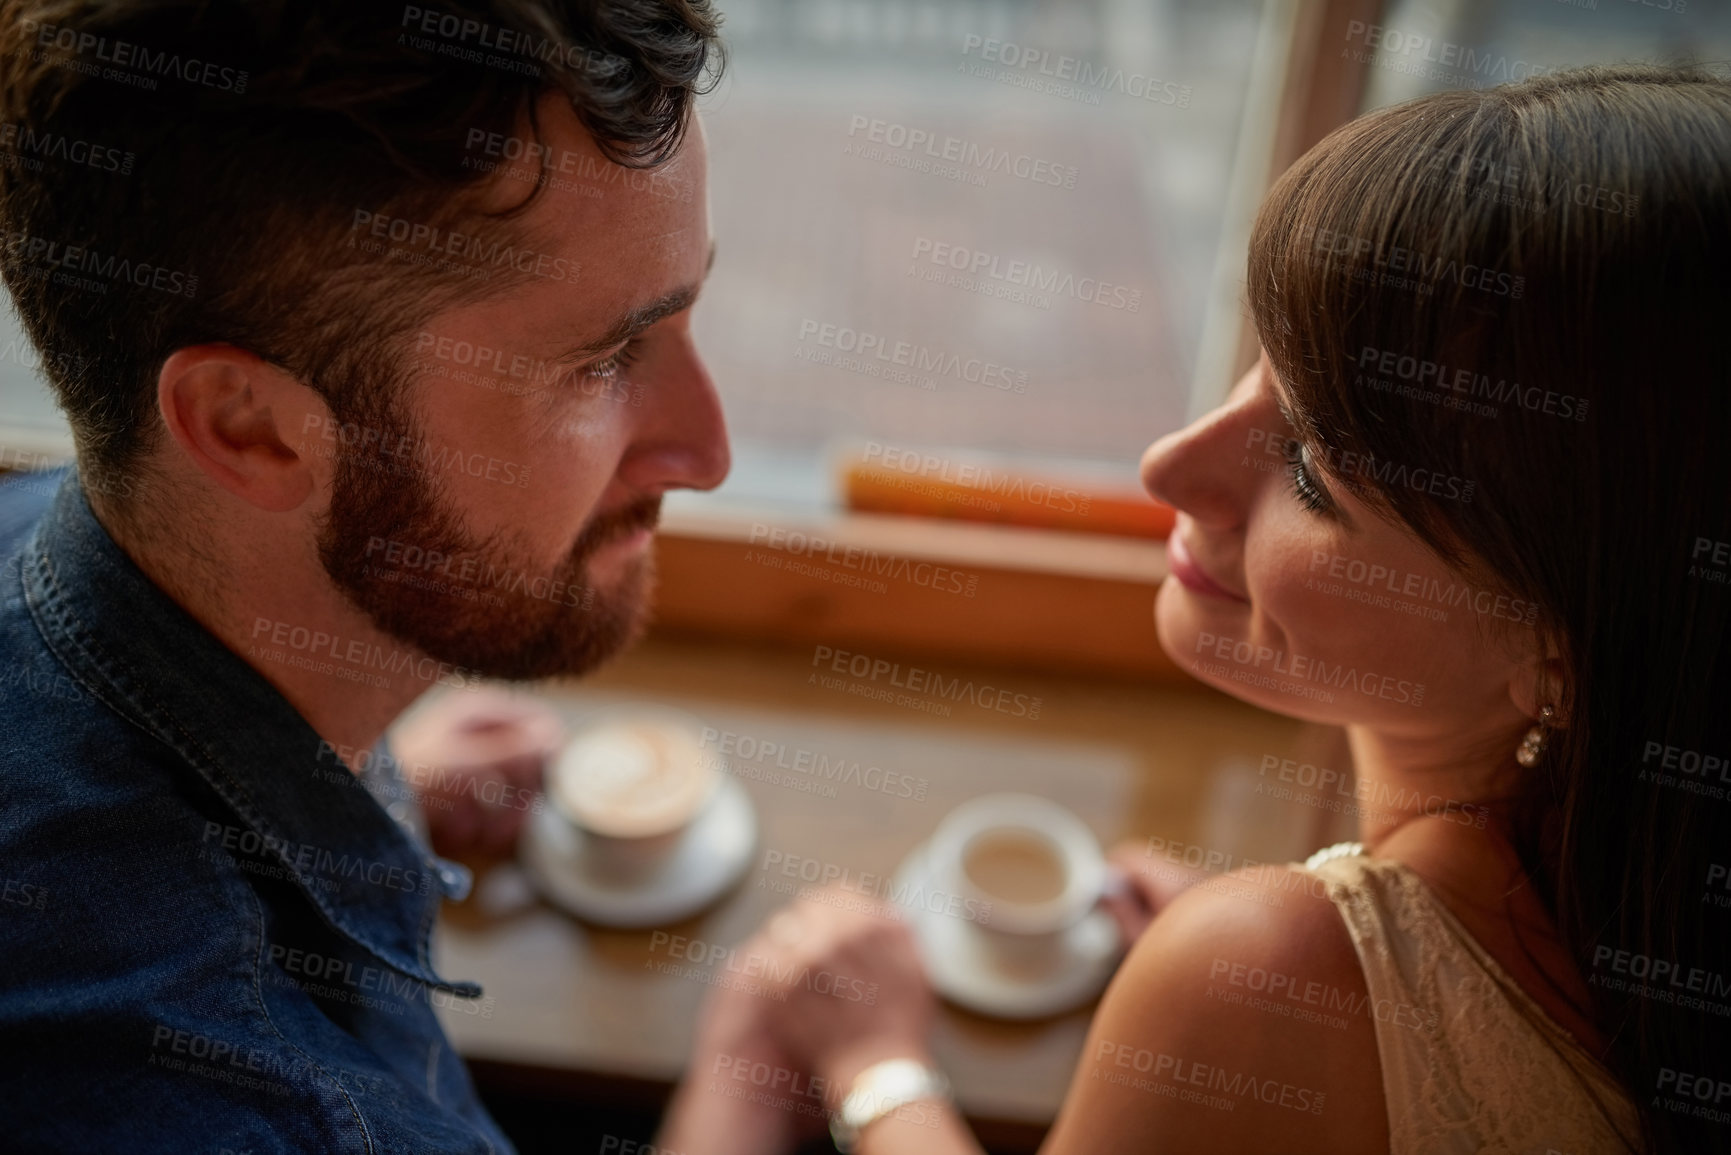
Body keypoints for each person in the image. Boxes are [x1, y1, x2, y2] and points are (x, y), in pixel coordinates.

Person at [656, 64, 1731, 1155]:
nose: (1169, 466)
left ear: (1558, 655)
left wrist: (867, 1061)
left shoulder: (1257, 974)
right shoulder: (1652, 892)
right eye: (1263, 360)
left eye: (1313, 470)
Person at [0, 1, 727, 1149]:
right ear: (250, 431)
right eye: (601, 362)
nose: (709, 451)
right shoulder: (270, 1108)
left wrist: (347, 800)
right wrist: (756, 1065)